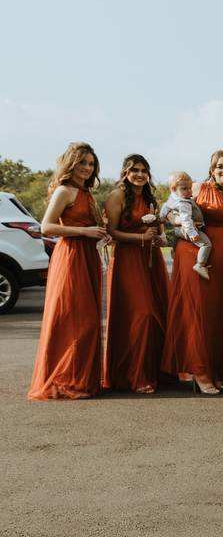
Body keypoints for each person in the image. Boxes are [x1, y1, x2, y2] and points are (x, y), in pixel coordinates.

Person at [162, 149, 223, 394]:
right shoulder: (198, 188)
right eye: (220, 166)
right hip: (198, 258)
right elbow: (172, 207)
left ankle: (218, 370)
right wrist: (178, 222)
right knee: (199, 314)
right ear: (212, 170)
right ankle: (200, 373)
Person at [28, 142, 109, 400]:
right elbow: (47, 227)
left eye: (90, 163)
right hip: (70, 256)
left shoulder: (86, 193)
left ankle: (82, 379)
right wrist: (84, 232)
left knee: (88, 319)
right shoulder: (64, 191)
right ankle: (66, 381)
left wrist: (99, 232)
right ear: (70, 163)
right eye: (82, 162)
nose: (87, 168)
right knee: (72, 318)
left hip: (87, 256)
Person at [102, 154, 169, 394]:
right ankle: (135, 376)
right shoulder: (117, 196)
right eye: (134, 170)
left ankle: (157, 372)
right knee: (142, 315)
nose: (139, 174)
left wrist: (160, 238)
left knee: (161, 312)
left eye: (143, 170)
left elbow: (157, 230)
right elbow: (112, 233)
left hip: (152, 260)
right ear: (125, 173)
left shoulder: (150, 197)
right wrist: (141, 238)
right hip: (128, 260)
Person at [159, 171, 212, 279]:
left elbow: (165, 207)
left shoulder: (172, 199)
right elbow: (186, 219)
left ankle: (174, 251)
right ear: (174, 189)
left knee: (176, 234)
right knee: (206, 244)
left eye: (189, 188)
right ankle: (200, 264)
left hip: (178, 231)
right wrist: (192, 233)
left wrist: (161, 218)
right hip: (189, 230)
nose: (189, 191)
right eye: (184, 188)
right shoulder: (184, 203)